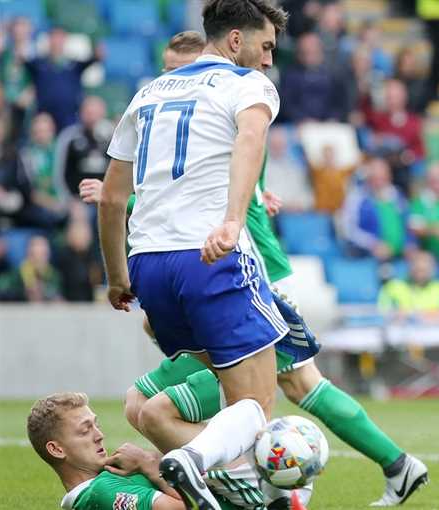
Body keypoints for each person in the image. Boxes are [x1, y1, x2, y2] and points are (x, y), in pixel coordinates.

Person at [99, 1, 291, 507]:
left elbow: (113, 197)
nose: (269, 60)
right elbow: (251, 141)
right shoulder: (247, 85)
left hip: (148, 266)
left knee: (231, 395)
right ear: (235, 41)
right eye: (266, 46)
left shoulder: (147, 93)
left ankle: (252, 496)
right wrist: (232, 219)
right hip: (207, 257)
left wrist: (117, 277)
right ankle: (194, 458)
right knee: (256, 405)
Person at [26, 392, 307, 510]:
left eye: (96, 425)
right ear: (56, 449)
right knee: (251, 410)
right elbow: (187, 507)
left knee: (258, 418)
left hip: (240, 492)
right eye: (85, 429)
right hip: (247, 502)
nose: (99, 435)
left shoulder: (105, 482)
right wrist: (149, 464)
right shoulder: (99, 492)